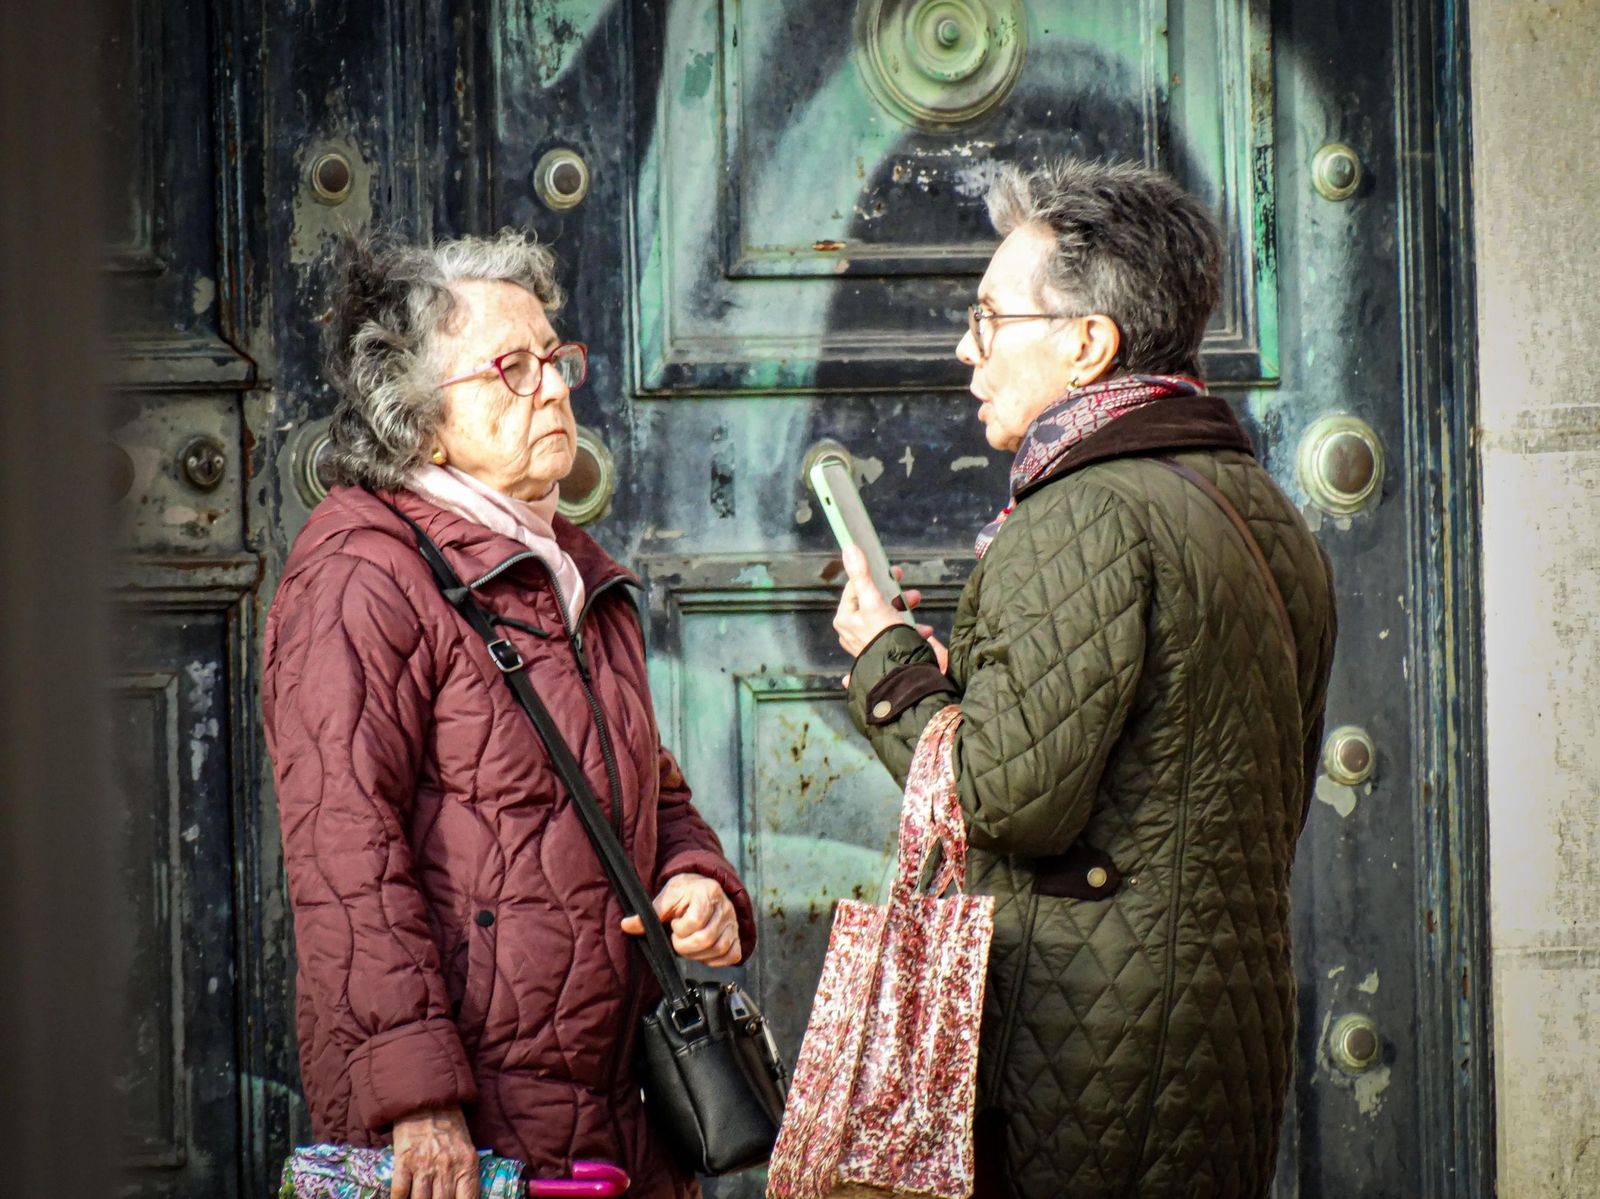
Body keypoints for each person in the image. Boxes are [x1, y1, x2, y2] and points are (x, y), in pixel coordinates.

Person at [830, 159, 1337, 1198]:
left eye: (987, 318)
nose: (962, 350)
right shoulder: (1257, 504)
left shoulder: (1081, 512)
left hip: (1083, 1040)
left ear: (1086, 344)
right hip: (1213, 1025)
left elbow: (1012, 796)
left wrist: (890, 669)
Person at [262, 231, 754, 1199]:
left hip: (613, 1102)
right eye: (511, 368)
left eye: (557, 359)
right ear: (421, 419)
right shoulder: (362, 575)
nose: (557, 387)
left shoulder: (566, 565)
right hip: (472, 1118)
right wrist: (416, 1098)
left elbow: (644, 781)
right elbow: (343, 854)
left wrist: (699, 877)